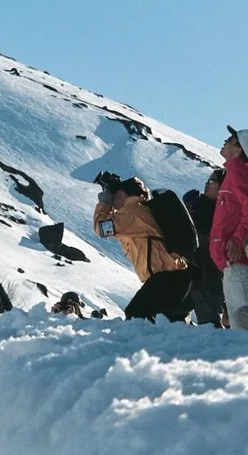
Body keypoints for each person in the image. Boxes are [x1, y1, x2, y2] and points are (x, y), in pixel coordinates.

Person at [93, 176, 191, 322]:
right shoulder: (140, 211)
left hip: (165, 278)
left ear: (124, 194)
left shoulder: (132, 212)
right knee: (169, 322)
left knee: (136, 316)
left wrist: (104, 203)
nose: (113, 200)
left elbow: (101, 228)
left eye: (115, 194)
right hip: (175, 276)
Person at [210, 128, 248, 331]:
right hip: (231, 260)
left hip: (237, 260)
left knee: (240, 315)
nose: (224, 141)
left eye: (230, 140)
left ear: (240, 148)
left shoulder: (240, 171)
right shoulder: (234, 172)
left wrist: (238, 238)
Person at [184, 168, 227, 326]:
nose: (207, 184)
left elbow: (207, 232)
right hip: (197, 271)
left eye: (212, 181)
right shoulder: (203, 205)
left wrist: (195, 211)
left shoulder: (224, 210)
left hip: (210, 274)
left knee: (210, 320)